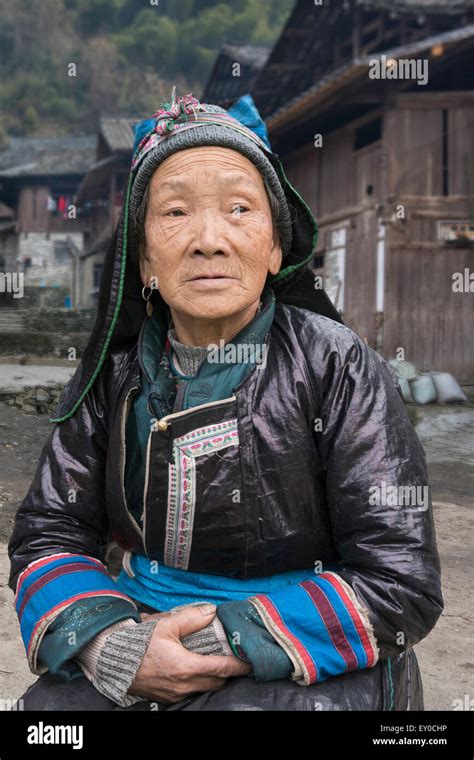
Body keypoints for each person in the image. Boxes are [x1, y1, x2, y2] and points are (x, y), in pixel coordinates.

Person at [8, 88, 443, 711]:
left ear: (274, 249)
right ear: (143, 262)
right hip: (140, 626)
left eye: (240, 209)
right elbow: (50, 531)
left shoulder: (337, 365)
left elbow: (399, 578)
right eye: (176, 212)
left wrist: (214, 641)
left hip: (313, 643)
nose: (208, 239)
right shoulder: (115, 377)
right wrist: (115, 646)